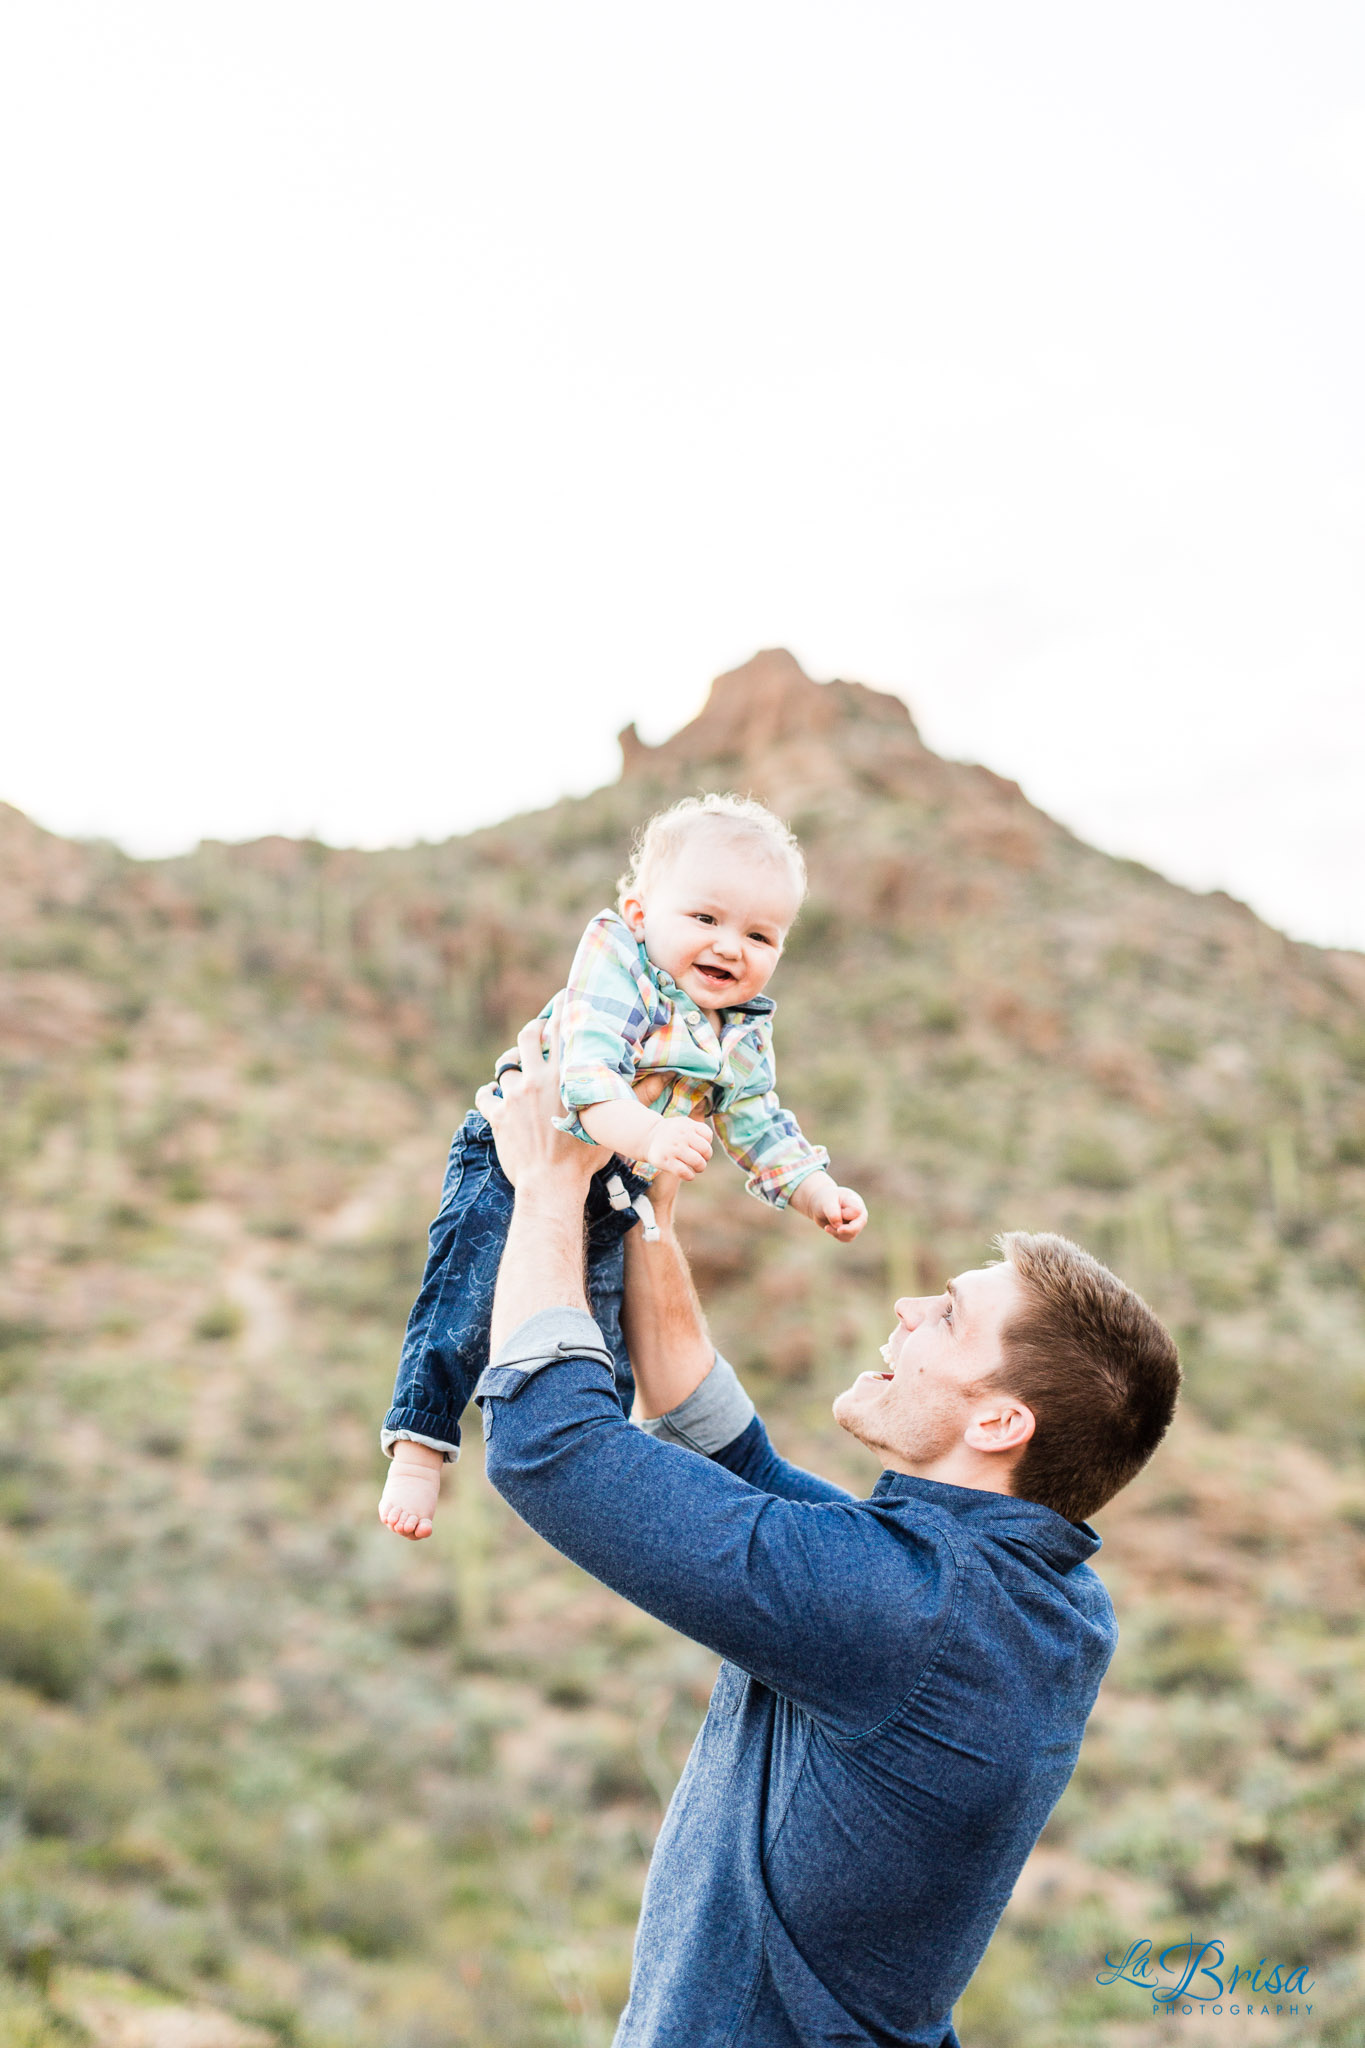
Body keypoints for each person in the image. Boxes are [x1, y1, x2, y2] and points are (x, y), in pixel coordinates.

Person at [468, 1017, 1181, 2048]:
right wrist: (647, 1220)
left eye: (946, 1314)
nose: (906, 1302)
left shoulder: (907, 1610)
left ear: (996, 1421)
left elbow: (548, 1445)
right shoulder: (1029, 1589)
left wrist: (544, 1182)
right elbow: (735, 1464)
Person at [378, 793, 867, 1541]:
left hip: (617, 1182)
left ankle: (604, 1475)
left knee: (597, 1341)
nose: (731, 946)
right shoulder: (619, 961)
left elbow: (757, 1121)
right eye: (705, 919)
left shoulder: (739, 1029)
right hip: (518, 1153)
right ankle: (419, 1442)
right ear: (641, 914)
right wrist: (649, 1132)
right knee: (466, 1290)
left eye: (760, 935)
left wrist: (815, 1190)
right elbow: (585, 1075)